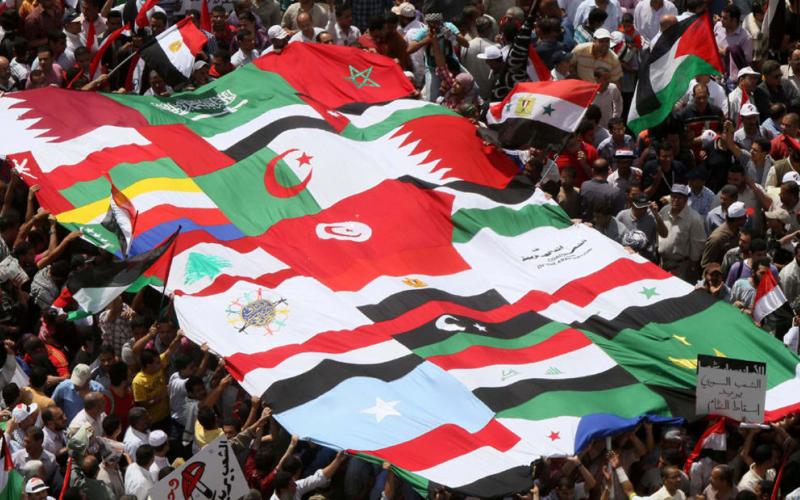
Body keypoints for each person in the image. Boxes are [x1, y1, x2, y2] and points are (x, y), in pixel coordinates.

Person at [658, 184, 706, 282]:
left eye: (680, 198)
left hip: (681, 267)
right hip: (662, 263)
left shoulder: (695, 219)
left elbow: (697, 245)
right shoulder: (664, 211)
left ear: (686, 199)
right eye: (674, 196)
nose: (676, 200)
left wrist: (692, 266)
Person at [701, 201, 747, 267]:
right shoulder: (716, 239)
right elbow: (706, 265)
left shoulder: (738, 231)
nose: (746, 219)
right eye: (744, 217)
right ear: (737, 220)